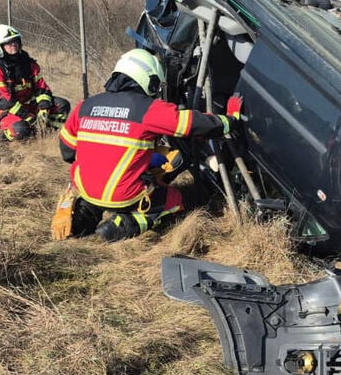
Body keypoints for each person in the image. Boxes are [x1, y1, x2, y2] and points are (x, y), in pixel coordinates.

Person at [55, 48, 242, 242]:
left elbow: (67, 151)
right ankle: (125, 224)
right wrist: (230, 120)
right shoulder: (147, 108)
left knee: (107, 180)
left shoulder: (85, 105)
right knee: (174, 200)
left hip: (84, 187)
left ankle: (84, 216)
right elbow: (189, 123)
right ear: (147, 79)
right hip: (123, 194)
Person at [0, 24, 71, 141]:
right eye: (8, 42)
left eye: (15, 41)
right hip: (8, 111)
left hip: (28, 106)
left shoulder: (29, 64)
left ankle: (48, 135)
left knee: (62, 104)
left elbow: (42, 88)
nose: (13, 44)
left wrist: (44, 108)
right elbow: (3, 100)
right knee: (21, 129)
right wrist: (26, 116)